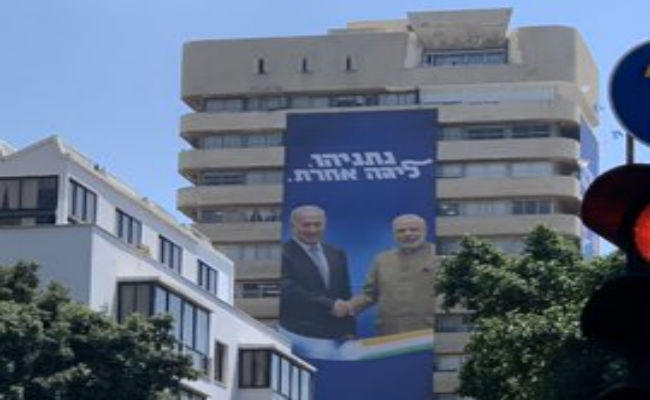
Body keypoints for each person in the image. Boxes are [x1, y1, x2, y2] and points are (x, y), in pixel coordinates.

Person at [347, 214, 437, 335]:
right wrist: (347, 308)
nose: (407, 234)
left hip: (428, 332)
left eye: (414, 229)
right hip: (389, 332)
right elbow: (369, 295)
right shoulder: (381, 260)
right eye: (401, 231)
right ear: (393, 234)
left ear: (425, 231)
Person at [279, 205, 355, 339]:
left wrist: (349, 330)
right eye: (306, 225)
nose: (312, 230)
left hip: (336, 335)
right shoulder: (281, 254)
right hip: (298, 334)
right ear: (293, 227)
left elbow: (344, 293)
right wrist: (330, 305)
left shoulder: (336, 253)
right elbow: (289, 290)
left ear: (324, 226)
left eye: (317, 224)